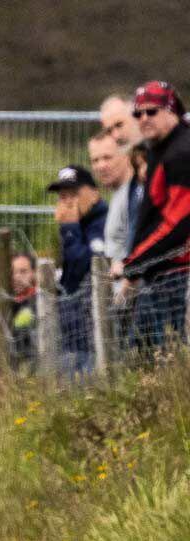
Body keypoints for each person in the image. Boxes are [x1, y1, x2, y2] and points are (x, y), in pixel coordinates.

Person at [124, 81, 190, 347]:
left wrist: (133, 264)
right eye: (137, 114)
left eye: (151, 111)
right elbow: (149, 214)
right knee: (141, 358)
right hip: (160, 272)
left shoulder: (182, 153)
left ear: (171, 111)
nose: (143, 119)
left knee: (169, 358)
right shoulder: (159, 149)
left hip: (178, 276)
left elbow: (179, 224)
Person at [48, 165, 107, 296]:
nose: (68, 202)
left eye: (74, 194)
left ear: (95, 195)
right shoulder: (80, 223)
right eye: (63, 196)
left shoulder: (103, 223)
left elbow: (86, 268)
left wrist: (70, 228)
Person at [90, 129, 138, 265]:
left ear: (126, 156)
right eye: (95, 160)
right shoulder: (119, 195)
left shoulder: (134, 196)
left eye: (107, 157)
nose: (101, 165)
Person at [8, 252, 38, 369]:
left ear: (34, 273)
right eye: (13, 273)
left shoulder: (40, 303)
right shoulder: (7, 304)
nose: (17, 277)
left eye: (23, 271)